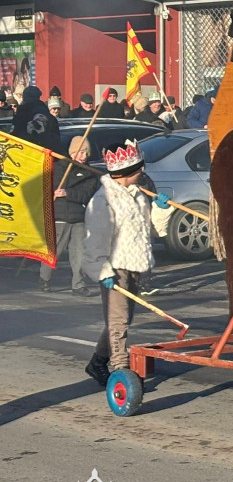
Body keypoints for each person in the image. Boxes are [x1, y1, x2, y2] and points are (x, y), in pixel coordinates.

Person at [82, 139, 171, 387]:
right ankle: (121, 368)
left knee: (122, 319)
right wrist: (102, 270)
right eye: (138, 169)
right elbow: (95, 241)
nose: (142, 172)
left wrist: (161, 209)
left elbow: (150, 228)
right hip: (114, 267)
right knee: (119, 321)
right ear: (124, 173)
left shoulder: (139, 195)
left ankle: (98, 361)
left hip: (134, 265)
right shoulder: (103, 201)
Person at [40, 136, 100, 295]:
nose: (83, 156)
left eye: (86, 153)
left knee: (79, 253)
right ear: (72, 153)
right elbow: (46, 188)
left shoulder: (90, 173)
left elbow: (87, 194)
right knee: (55, 252)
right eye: (80, 152)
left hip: (79, 217)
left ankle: (78, 285)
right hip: (60, 216)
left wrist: (68, 193)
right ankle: (44, 277)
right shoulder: (58, 168)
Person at [11, 86, 61, 152]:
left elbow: (16, 134)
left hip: (26, 153)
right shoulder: (49, 116)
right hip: (47, 154)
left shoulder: (22, 114)